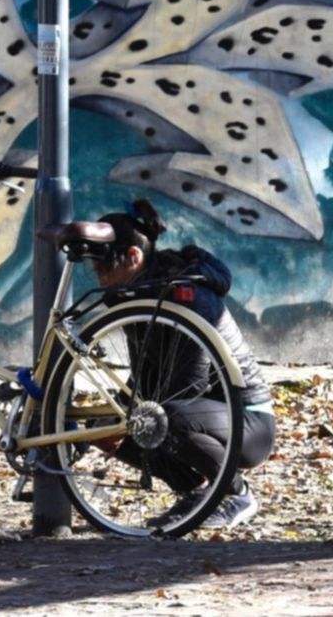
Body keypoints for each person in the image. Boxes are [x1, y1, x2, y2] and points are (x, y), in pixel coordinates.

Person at [92, 199, 276, 528]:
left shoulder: (185, 294)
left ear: (134, 258)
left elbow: (190, 382)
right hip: (199, 413)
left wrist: (136, 415)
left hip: (248, 421)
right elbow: (145, 375)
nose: (97, 274)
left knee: (163, 416)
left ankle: (235, 494)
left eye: (104, 265)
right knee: (109, 425)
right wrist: (115, 416)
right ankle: (200, 496)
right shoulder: (135, 295)